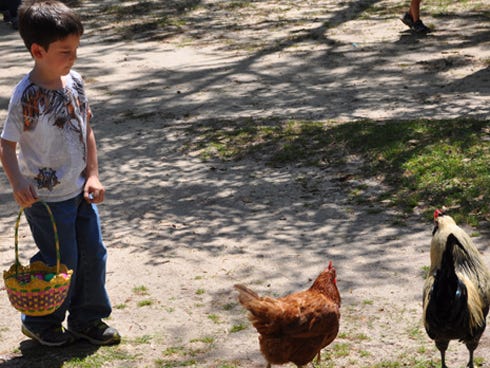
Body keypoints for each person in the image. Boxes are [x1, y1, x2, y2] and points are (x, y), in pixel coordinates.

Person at [0, 0, 120, 347]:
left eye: (76, 49)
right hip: (46, 198)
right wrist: (18, 182)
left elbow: (86, 131)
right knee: (60, 261)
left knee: (93, 254)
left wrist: (93, 175)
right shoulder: (25, 96)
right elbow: (6, 146)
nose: (74, 58)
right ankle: (42, 322)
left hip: (80, 190)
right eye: (65, 51)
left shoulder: (76, 82)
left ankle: (88, 318)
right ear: (38, 51)